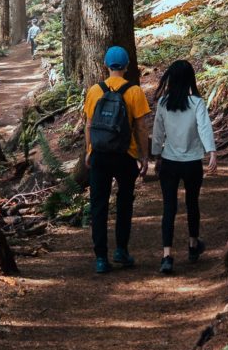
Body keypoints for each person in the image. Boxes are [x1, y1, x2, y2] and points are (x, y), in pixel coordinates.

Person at [82, 44, 152, 274]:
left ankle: (101, 257)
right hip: (125, 155)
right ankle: (121, 249)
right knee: (124, 203)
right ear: (127, 66)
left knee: (99, 206)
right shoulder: (134, 91)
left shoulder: (94, 91)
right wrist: (144, 155)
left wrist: (88, 151)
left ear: (106, 65)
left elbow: (89, 125)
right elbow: (141, 127)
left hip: (100, 154)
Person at [149, 57, 218, 271]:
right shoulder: (197, 103)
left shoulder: (163, 104)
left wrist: (156, 155)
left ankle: (167, 256)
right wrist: (212, 152)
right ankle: (192, 244)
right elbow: (204, 127)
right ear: (190, 79)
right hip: (192, 163)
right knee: (192, 203)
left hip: (169, 162)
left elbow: (158, 133)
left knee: (169, 207)